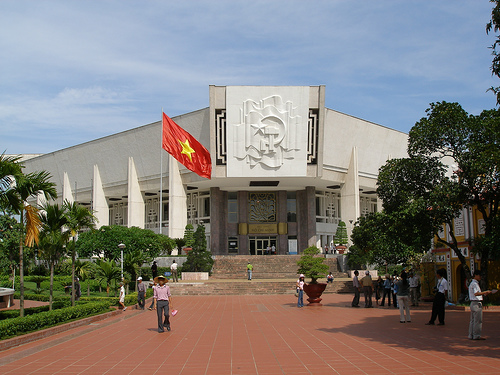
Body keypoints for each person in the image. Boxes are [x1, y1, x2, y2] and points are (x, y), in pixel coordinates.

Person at [468, 269, 492, 340]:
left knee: (472, 320)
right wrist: (485, 292)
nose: (480, 277)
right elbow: (476, 293)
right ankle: (476, 335)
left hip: (473, 303)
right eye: (479, 275)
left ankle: (471, 334)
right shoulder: (475, 284)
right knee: (477, 320)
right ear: (475, 275)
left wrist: (484, 293)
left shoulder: (472, 283)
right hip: (476, 303)